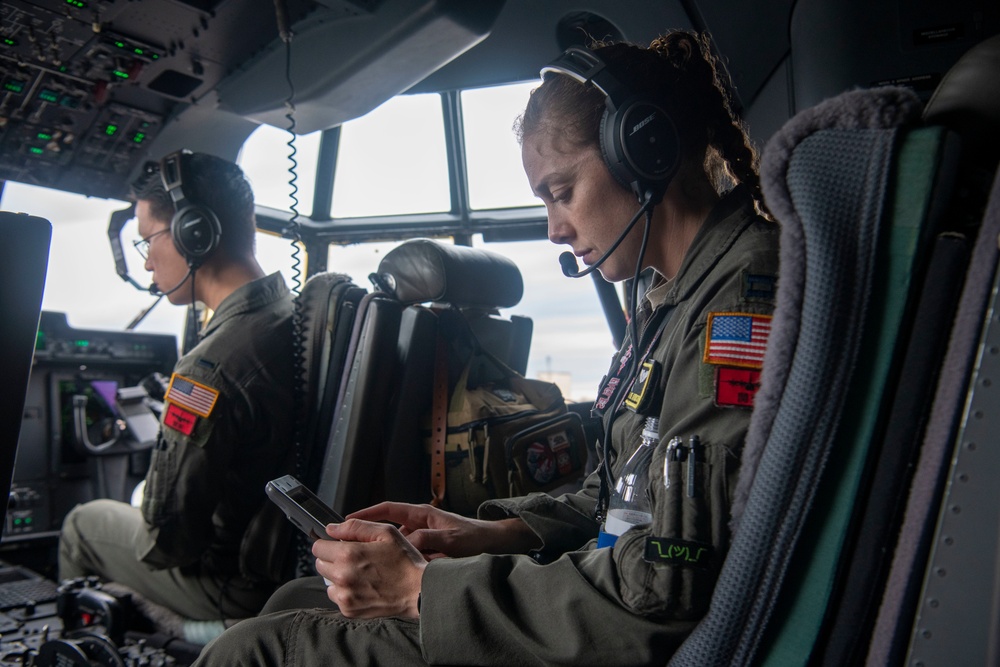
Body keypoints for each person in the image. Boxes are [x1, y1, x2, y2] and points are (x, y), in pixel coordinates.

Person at [194, 29, 780, 665]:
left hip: (629, 633)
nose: (556, 229)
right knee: (296, 598)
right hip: (608, 599)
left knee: (251, 651)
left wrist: (423, 590)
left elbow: (664, 590)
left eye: (561, 192)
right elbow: (625, 501)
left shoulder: (737, 309)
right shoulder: (669, 302)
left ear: (645, 152)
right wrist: (487, 533)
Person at [58, 151, 298, 626]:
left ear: (195, 232)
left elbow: (166, 542)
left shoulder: (209, 367)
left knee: (83, 524)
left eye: (148, 239)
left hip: (233, 586)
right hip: (287, 567)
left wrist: (152, 494)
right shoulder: (293, 319)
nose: (146, 261)